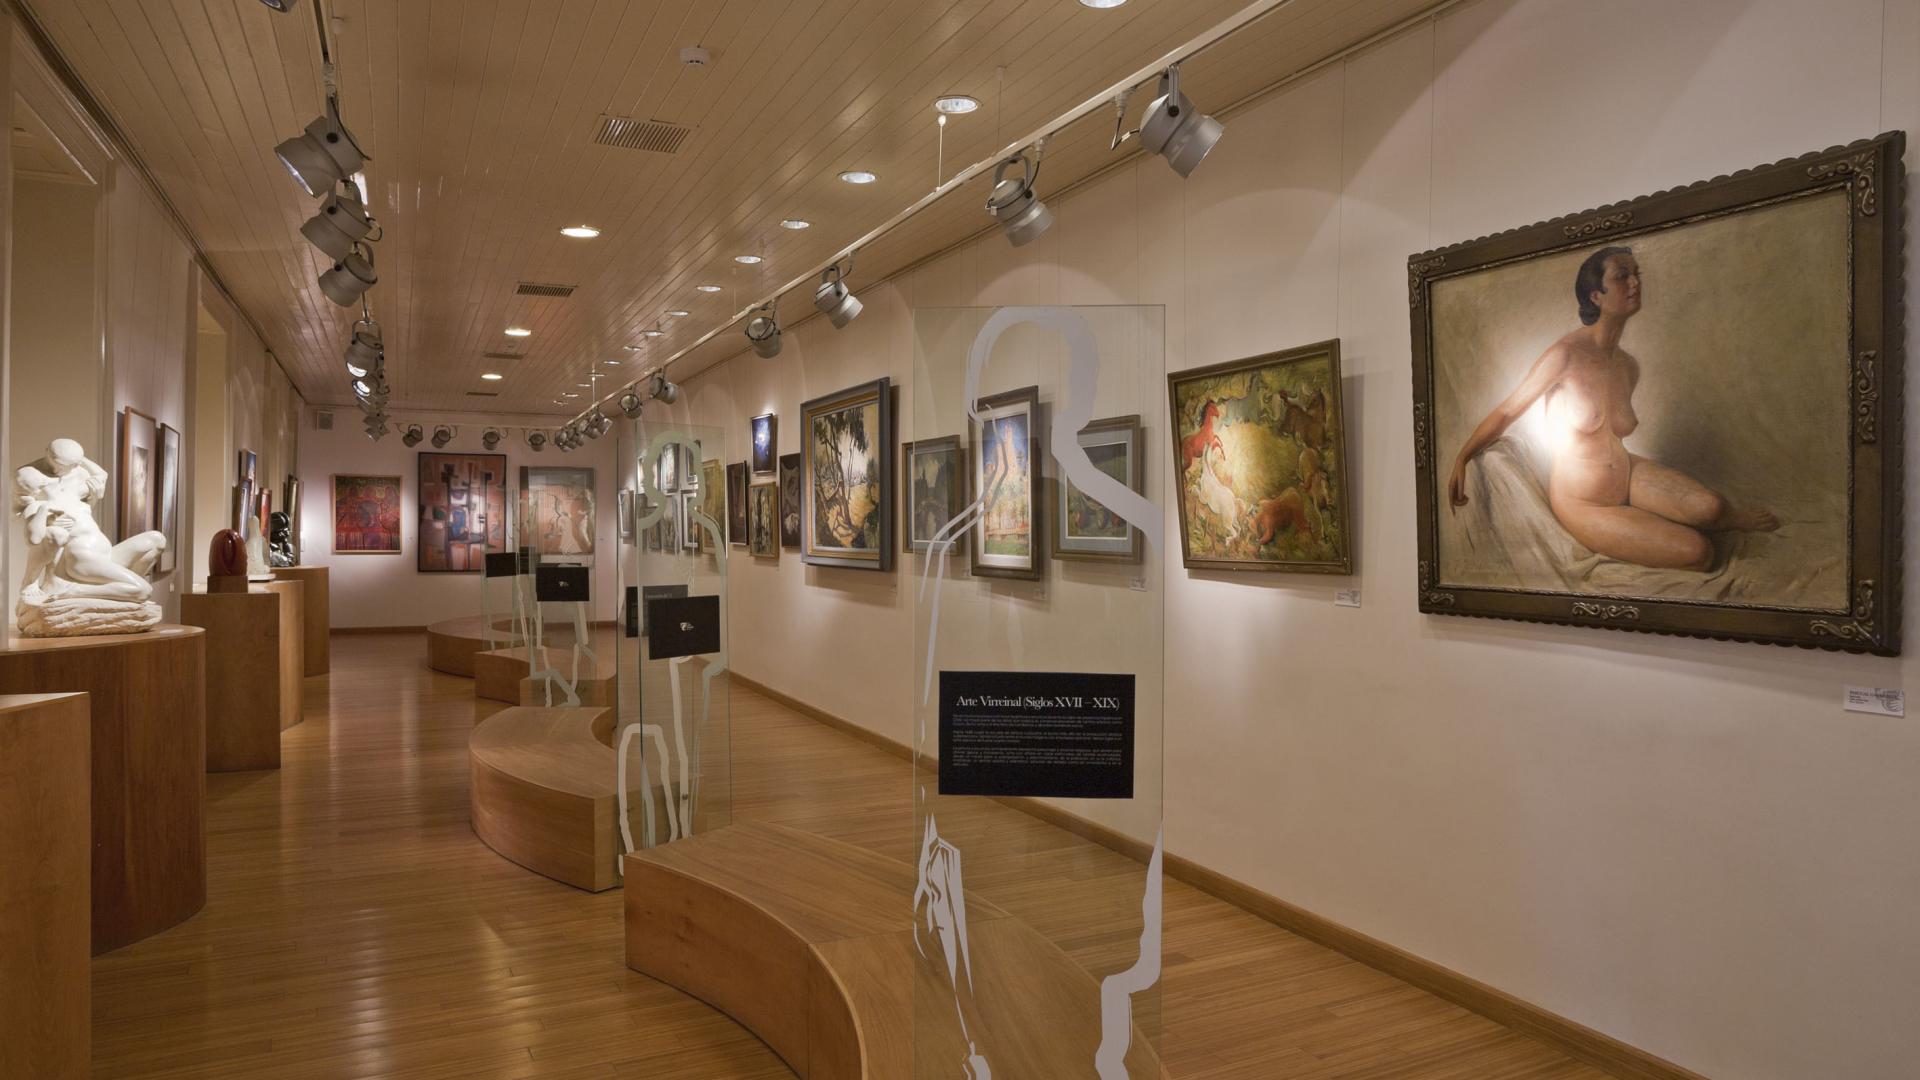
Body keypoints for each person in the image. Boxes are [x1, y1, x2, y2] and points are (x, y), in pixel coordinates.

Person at [1447, 246, 1777, 571]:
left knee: (1712, 507)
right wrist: (1462, 457)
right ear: (1596, 297)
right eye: (1622, 276)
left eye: (1636, 274)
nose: (1634, 283)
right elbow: (1507, 411)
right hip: (1583, 502)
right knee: (1698, 552)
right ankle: (1648, 525)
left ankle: (1727, 519)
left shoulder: (1628, 365)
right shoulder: (1564, 355)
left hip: (1628, 473)